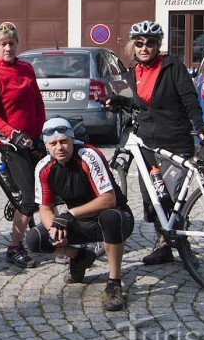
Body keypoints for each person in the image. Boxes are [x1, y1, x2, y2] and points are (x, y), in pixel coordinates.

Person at [116, 20, 204, 266]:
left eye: (150, 43)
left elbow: (189, 98)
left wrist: (199, 126)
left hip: (175, 140)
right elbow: (136, 104)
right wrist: (115, 102)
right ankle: (162, 243)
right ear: (132, 47)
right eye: (139, 44)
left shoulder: (172, 66)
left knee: (173, 195)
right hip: (147, 143)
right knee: (153, 197)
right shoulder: (131, 72)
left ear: (158, 46)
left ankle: (183, 244)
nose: (144, 48)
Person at [25, 118, 134, 311]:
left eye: (64, 141)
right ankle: (80, 256)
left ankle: (114, 283)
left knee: (110, 217)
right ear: (46, 145)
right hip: (80, 222)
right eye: (53, 143)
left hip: (115, 216)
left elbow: (108, 199)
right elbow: (46, 207)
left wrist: (69, 214)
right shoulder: (43, 167)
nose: (60, 147)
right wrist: (54, 230)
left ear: (72, 140)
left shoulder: (89, 155)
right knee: (35, 239)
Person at [0, 21, 45, 268]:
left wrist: (39, 135)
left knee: (47, 191)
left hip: (33, 140)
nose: (8, 47)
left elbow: (38, 104)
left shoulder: (27, 69)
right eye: (3, 44)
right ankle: (14, 248)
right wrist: (13, 133)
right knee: (29, 199)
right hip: (10, 143)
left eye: (12, 43)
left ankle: (56, 239)